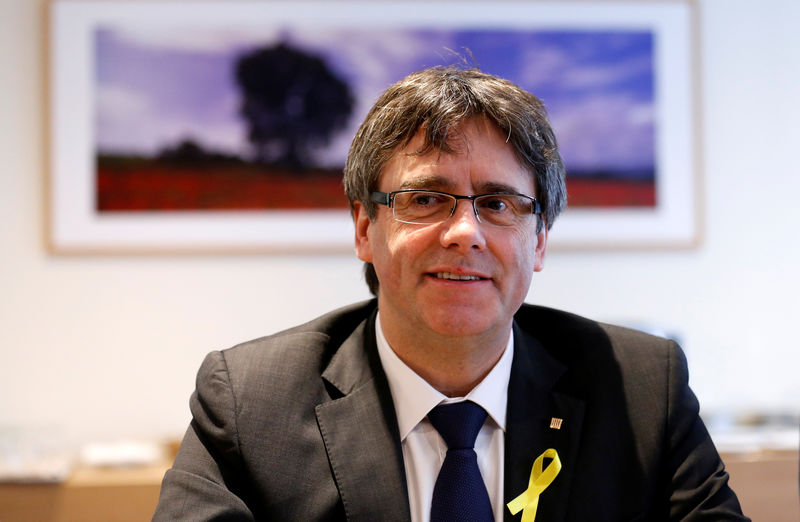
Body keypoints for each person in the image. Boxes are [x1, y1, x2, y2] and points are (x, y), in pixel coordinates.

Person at [153, 67, 748, 521]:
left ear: (538, 242)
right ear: (365, 228)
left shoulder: (645, 388)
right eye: (425, 199)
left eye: (498, 203)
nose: (465, 233)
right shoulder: (249, 403)